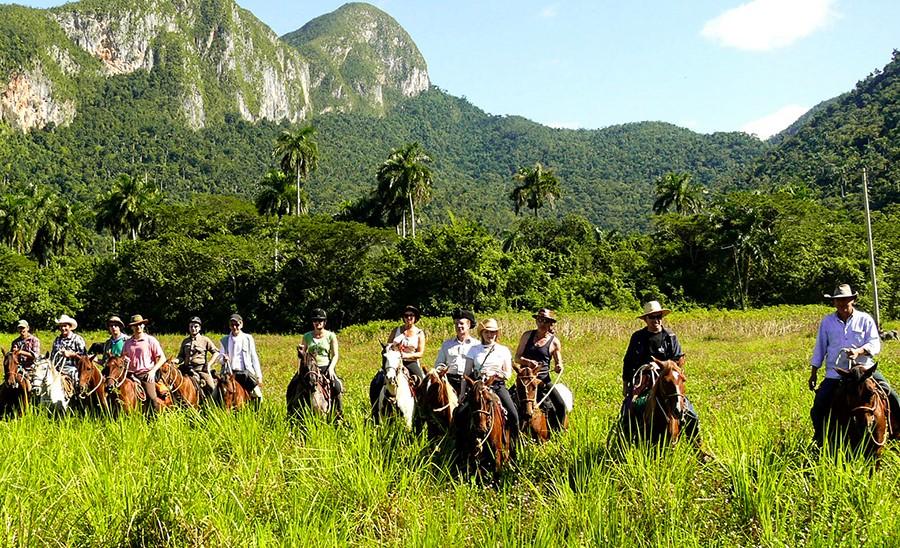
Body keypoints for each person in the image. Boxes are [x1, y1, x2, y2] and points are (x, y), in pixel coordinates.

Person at [809, 284, 900, 445]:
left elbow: (874, 343)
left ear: (853, 300)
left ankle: (895, 431)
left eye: (846, 301)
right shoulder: (827, 322)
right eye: (839, 301)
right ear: (834, 303)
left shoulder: (865, 319)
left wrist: (859, 351)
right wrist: (814, 372)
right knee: (819, 405)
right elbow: (820, 347)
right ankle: (821, 438)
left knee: (891, 396)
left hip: (864, 371)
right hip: (836, 373)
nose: (842, 305)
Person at [621, 301, 699, 439]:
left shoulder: (670, 337)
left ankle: (697, 447)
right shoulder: (637, 337)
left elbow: (677, 360)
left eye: (659, 316)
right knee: (629, 408)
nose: (656, 320)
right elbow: (628, 362)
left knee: (691, 414)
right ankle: (626, 440)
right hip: (644, 381)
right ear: (645, 319)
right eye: (652, 317)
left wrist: (664, 365)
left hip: (668, 380)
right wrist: (626, 384)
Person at [463, 318, 519, 436]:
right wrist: (462, 393)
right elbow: (466, 373)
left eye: (493, 332)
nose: (490, 335)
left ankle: (515, 444)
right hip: (479, 387)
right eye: (487, 332)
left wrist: (496, 374)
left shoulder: (503, 350)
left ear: (497, 333)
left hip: (497, 385)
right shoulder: (473, 350)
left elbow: (508, 374)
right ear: (482, 333)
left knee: (513, 414)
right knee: (460, 414)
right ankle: (458, 446)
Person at [514, 308, 566, 430]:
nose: (542, 323)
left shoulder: (554, 342)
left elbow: (559, 363)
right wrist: (527, 362)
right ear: (536, 321)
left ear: (550, 324)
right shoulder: (527, 336)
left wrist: (559, 367)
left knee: (560, 405)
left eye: (545, 321)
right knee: (510, 404)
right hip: (525, 380)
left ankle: (558, 432)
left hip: (543, 380)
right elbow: (517, 357)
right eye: (540, 320)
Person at [369, 305, 427, 405]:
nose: (409, 318)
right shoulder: (396, 330)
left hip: (410, 362)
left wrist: (404, 355)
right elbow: (387, 347)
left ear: (415, 317)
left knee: (421, 381)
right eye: (406, 315)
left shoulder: (419, 333)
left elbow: (420, 353)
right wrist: (392, 352)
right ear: (403, 317)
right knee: (377, 380)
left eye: (411, 315)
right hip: (393, 362)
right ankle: (375, 407)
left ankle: (421, 409)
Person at [298, 308, 343, 417]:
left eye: (320, 321)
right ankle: (293, 410)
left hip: (325, 366)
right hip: (310, 368)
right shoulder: (307, 336)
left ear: (325, 322)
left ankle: (338, 413)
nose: (317, 323)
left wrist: (331, 368)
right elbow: (303, 355)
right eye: (315, 320)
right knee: (294, 385)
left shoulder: (331, 336)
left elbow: (335, 354)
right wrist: (299, 353)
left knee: (337, 386)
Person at [121, 314, 167, 412]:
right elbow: (123, 358)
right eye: (135, 325)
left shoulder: (150, 340)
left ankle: (156, 418)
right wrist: (125, 362)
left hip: (146, 374)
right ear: (132, 327)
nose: (138, 327)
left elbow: (162, 358)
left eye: (140, 324)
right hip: (130, 374)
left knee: (152, 397)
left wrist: (153, 371)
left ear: (143, 325)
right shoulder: (127, 343)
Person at [217, 314, 263, 403]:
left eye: (237, 324)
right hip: (229, 374)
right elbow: (220, 359)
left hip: (245, 373)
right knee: (215, 395)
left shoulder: (248, 338)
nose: (234, 327)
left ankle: (258, 414)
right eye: (232, 325)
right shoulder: (224, 340)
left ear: (241, 325)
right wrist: (224, 359)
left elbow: (254, 358)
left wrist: (259, 376)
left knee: (258, 395)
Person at [434, 309, 477, 400]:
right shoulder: (447, 344)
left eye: (461, 323)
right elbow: (439, 363)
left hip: (469, 382)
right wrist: (441, 369)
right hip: (450, 381)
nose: (458, 326)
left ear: (468, 325)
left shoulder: (476, 345)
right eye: (456, 323)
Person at [175, 316, 219, 398]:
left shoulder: (205, 340)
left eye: (195, 326)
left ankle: (212, 405)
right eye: (191, 326)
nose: (193, 328)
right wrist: (175, 361)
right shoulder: (185, 341)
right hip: (186, 369)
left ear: (200, 328)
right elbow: (181, 357)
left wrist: (209, 364)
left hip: (200, 370)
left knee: (211, 387)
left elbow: (216, 352)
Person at [50, 314, 86, 387]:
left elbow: (84, 357)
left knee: (76, 378)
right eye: (61, 326)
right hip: (57, 368)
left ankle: (78, 395)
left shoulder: (77, 339)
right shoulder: (57, 340)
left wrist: (71, 354)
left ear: (69, 327)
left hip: (72, 368)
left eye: (65, 326)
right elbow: (52, 356)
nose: (63, 328)